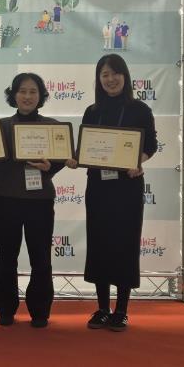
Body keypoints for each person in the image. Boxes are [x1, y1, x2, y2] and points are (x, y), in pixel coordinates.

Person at [67, 54, 157, 332]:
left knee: (124, 245)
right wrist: (75, 158)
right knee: (100, 244)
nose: (110, 79)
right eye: (104, 74)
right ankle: (103, 308)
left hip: (127, 187)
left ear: (125, 76)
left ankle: (122, 310)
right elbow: (86, 148)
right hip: (99, 187)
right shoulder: (92, 111)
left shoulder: (140, 109)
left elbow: (150, 145)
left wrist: (138, 161)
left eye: (115, 73)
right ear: (99, 79)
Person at [0, 73, 64, 328]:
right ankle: (5, 308)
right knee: (6, 256)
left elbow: (60, 159)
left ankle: (40, 310)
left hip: (40, 201)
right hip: (6, 200)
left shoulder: (52, 127)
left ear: (41, 96)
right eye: (22, 91)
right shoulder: (0, 127)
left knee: (41, 257)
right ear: (13, 95)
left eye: (33, 92)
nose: (27, 96)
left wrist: (50, 167)